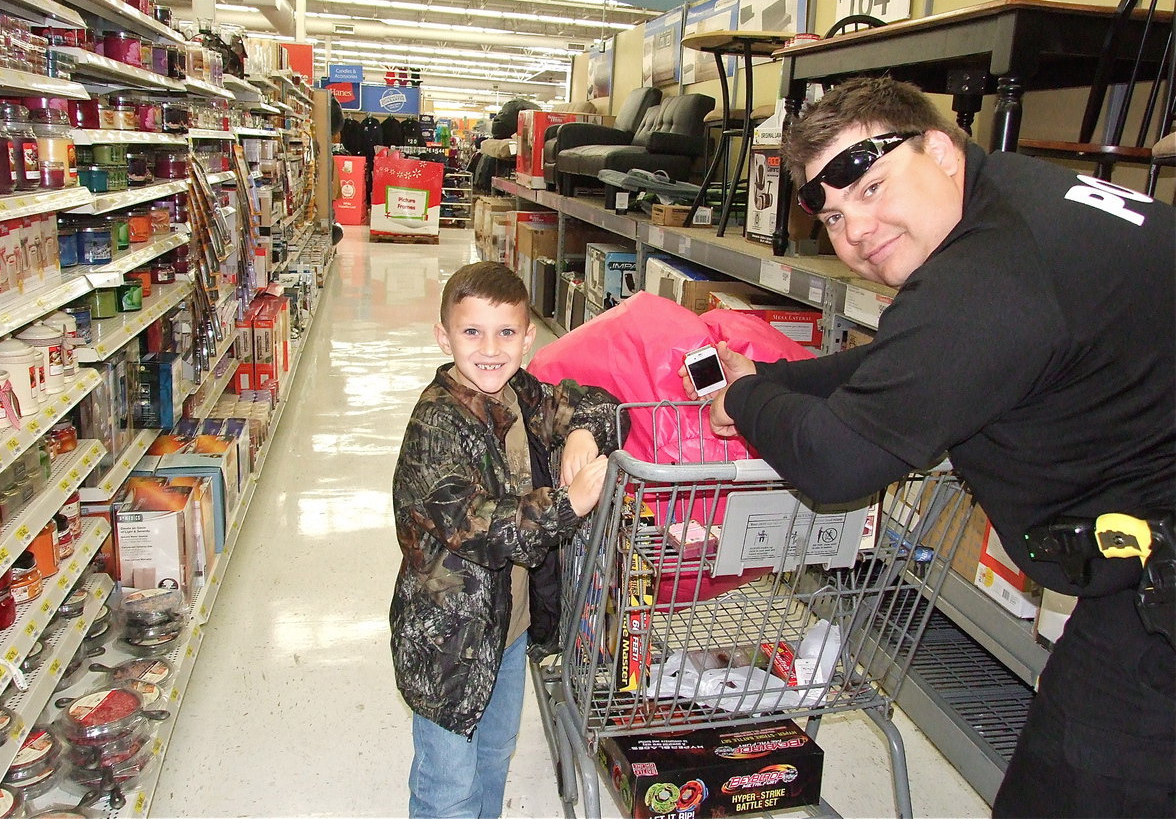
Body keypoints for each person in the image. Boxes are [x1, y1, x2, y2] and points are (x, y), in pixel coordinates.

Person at [688, 77, 1175, 817]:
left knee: (1078, 779)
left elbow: (839, 463)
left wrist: (747, 402)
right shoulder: (1012, 198)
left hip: (1157, 597)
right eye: (834, 216)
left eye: (873, 186)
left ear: (940, 151)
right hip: (1147, 549)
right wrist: (774, 379)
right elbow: (914, 358)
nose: (856, 230)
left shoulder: (989, 275)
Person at [390, 261, 623, 818]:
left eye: (506, 332)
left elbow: (597, 403)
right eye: (472, 332)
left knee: (495, 754)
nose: (491, 349)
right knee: (447, 784)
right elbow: (476, 525)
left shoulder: (519, 392)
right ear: (443, 336)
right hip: (448, 643)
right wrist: (568, 504)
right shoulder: (435, 426)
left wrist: (581, 433)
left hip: (509, 627)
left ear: (528, 337)